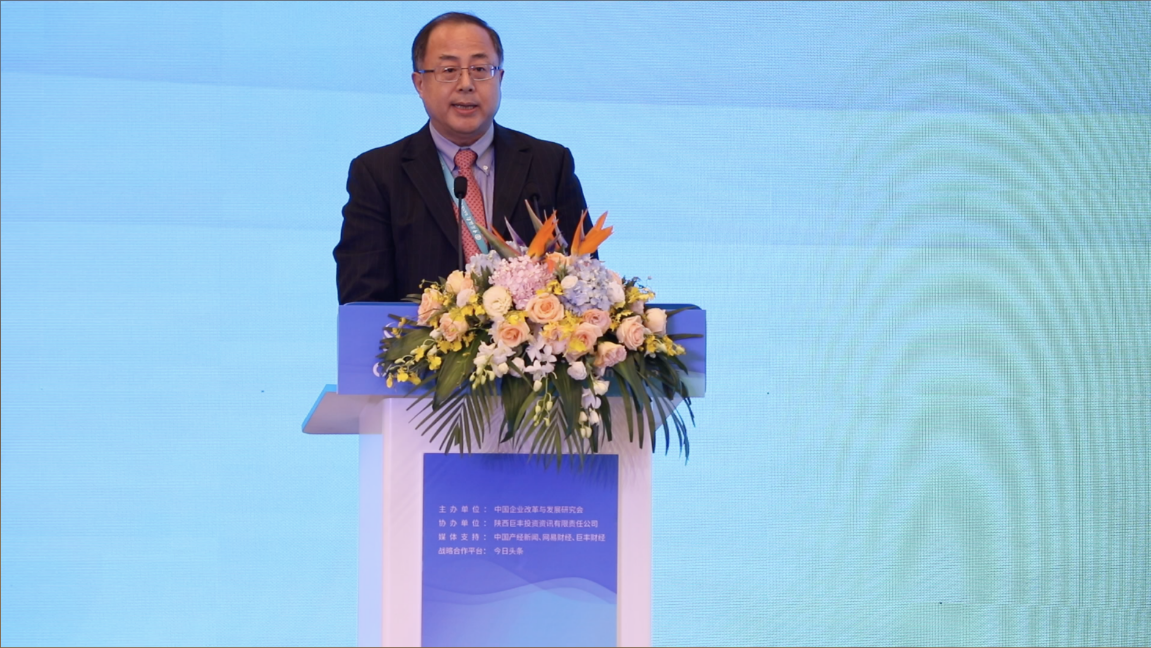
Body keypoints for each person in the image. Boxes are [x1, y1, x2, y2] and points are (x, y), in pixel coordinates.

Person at [334, 12, 589, 304]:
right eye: (449, 70)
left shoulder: (549, 164)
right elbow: (362, 300)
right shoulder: (378, 174)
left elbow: (585, 281)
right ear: (419, 83)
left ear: (500, 79)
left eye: (480, 69)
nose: (466, 83)